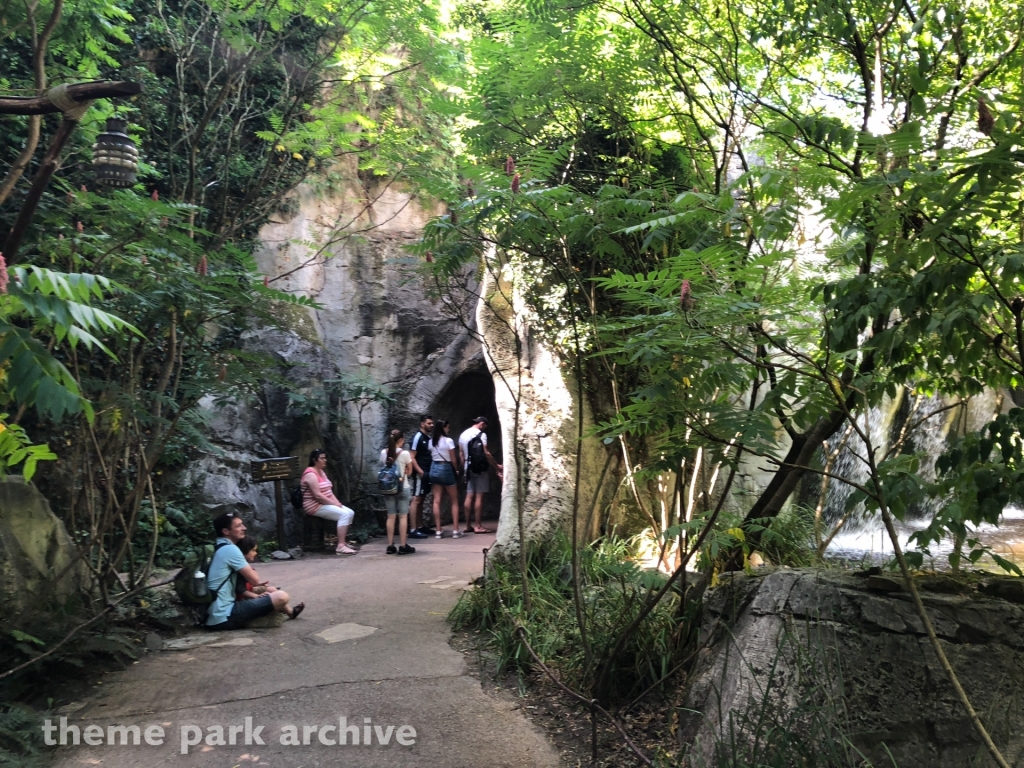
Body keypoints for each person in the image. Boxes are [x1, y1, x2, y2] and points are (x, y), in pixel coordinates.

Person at [206, 513, 303, 630]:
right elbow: (255, 580)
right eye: (238, 526)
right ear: (226, 531)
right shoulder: (230, 549)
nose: (244, 528)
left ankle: (274, 613)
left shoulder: (217, 547)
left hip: (214, 613)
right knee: (281, 597)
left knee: (270, 591)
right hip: (224, 615)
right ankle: (259, 620)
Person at [302, 449, 358, 555]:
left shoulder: (321, 471)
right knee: (344, 515)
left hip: (325, 503)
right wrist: (333, 503)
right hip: (314, 505)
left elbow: (329, 490)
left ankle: (343, 541)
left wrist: (338, 503)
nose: (325, 460)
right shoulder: (310, 474)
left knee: (350, 512)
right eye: (322, 458)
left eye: (325, 458)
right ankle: (340, 546)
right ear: (314, 460)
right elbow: (318, 495)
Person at [457, 416, 503, 534]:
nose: (484, 429)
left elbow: (461, 455)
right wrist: (496, 466)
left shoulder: (463, 435)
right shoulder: (481, 435)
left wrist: (463, 470)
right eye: (485, 426)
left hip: (468, 467)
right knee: (479, 496)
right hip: (480, 468)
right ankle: (478, 526)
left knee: (469, 495)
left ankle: (468, 525)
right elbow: (486, 453)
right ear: (482, 424)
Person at [380, 429, 415, 554]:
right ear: (400, 440)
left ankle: (390, 545)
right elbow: (410, 472)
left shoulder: (383, 453)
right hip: (402, 487)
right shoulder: (405, 453)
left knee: (391, 516)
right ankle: (402, 545)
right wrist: (404, 470)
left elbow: (383, 467)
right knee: (403, 516)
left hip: (389, 488)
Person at [428, 419, 462, 538]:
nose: (448, 430)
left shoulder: (431, 441)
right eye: (447, 427)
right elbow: (453, 459)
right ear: (444, 428)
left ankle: (438, 530)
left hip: (434, 468)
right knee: (454, 501)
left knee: (436, 501)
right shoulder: (448, 441)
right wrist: (456, 470)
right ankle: (456, 530)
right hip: (446, 468)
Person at [407, 415, 434, 537]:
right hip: (421, 472)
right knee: (416, 499)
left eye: (432, 423)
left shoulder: (427, 438)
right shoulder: (418, 437)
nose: (431, 425)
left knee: (421, 499)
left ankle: (420, 526)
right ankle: (413, 529)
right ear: (422, 424)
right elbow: (411, 456)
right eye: (429, 423)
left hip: (427, 471)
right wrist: (419, 471)